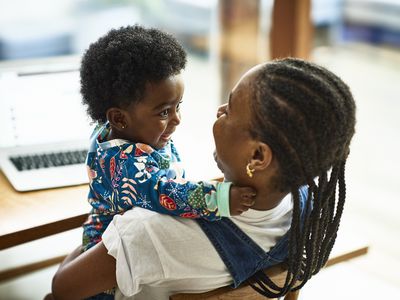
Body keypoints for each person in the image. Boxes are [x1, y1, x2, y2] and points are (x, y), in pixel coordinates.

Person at [48, 58, 356, 300]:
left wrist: (102, 222)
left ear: (258, 157)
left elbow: (63, 289)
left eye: (231, 109)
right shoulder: (311, 207)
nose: (220, 110)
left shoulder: (144, 232)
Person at [79, 25, 255, 299]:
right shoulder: (126, 166)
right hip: (106, 256)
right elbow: (166, 193)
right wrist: (219, 198)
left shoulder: (126, 130)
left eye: (178, 106)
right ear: (120, 118)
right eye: (164, 111)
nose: (177, 119)